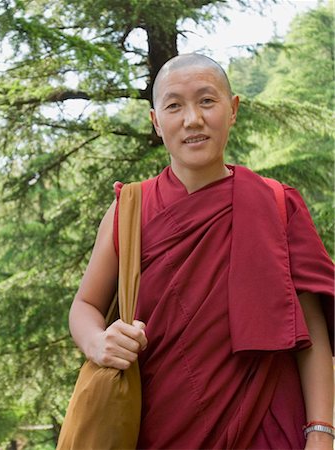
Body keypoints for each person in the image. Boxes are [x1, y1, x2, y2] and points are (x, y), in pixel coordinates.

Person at [68, 53, 334, 449]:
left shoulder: (276, 204)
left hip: (265, 426)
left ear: (233, 109)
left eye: (207, 101)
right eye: (174, 106)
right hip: (156, 426)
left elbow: (311, 335)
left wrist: (321, 432)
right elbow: (84, 305)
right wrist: (97, 342)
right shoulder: (129, 209)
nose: (193, 119)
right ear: (157, 122)